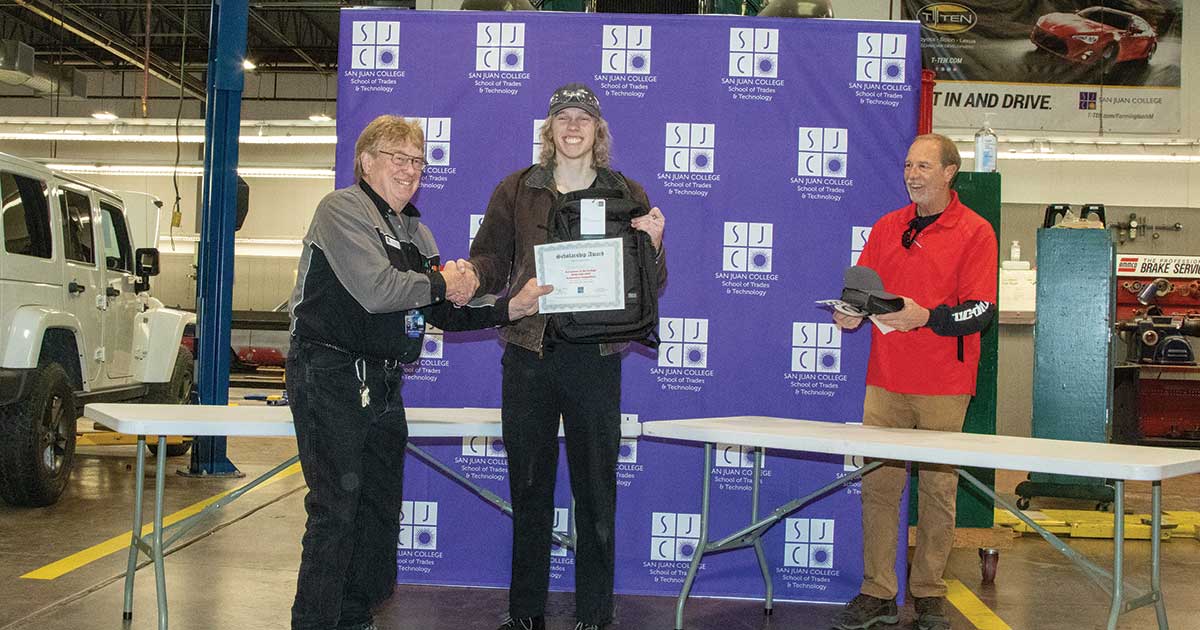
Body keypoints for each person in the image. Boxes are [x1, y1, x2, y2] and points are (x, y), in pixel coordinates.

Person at [286, 114, 551, 630]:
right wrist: (442, 280)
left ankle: (354, 615)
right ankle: (315, 622)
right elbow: (378, 289)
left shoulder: (417, 230)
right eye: (397, 158)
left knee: (378, 511)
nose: (409, 170)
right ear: (366, 162)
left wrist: (508, 308)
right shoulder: (341, 209)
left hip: (384, 383)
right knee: (336, 508)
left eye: (417, 161)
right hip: (331, 372)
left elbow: (444, 311)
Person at [459, 83, 666, 630]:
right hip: (529, 354)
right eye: (562, 118)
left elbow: (650, 282)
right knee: (529, 489)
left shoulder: (628, 192)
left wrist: (657, 244)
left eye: (584, 118)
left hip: (595, 360)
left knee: (595, 491)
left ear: (599, 131)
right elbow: (489, 260)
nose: (573, 127)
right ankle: (525, 614)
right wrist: (472, 282)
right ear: (548, 130)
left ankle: (595, 615)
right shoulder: (517, 188)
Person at [830, 133, 997, 630]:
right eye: (908, 165)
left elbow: (980, 310)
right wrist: (850, 313)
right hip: (886, 378)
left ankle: (928, 592)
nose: (912, 174)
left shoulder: (976, 231)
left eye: (924, 166)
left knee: (938, 491)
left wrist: (926, 317)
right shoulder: (887, 226)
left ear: (950, 173)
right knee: (880, 486)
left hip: (945, 381)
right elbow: (862, 291)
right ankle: (878, 591)